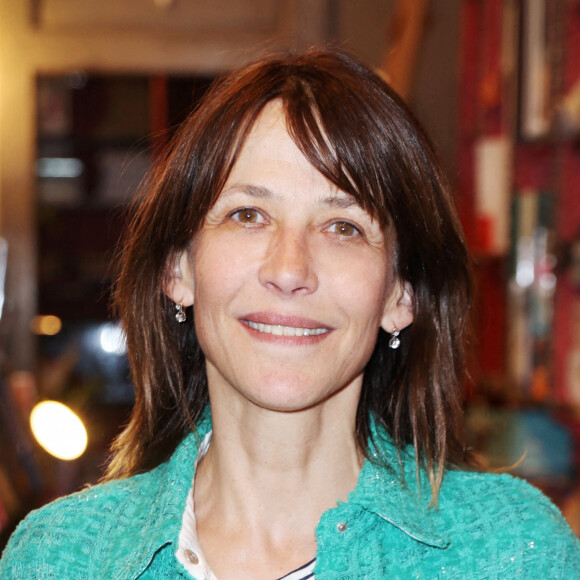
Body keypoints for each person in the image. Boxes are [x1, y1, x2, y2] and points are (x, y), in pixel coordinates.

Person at [1, 48, 579, 579]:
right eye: (248, 215)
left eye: (343, 226)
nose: (289, 268)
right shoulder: (55, 558)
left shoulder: (513, 552)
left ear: (400, 296)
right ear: (177, 270)